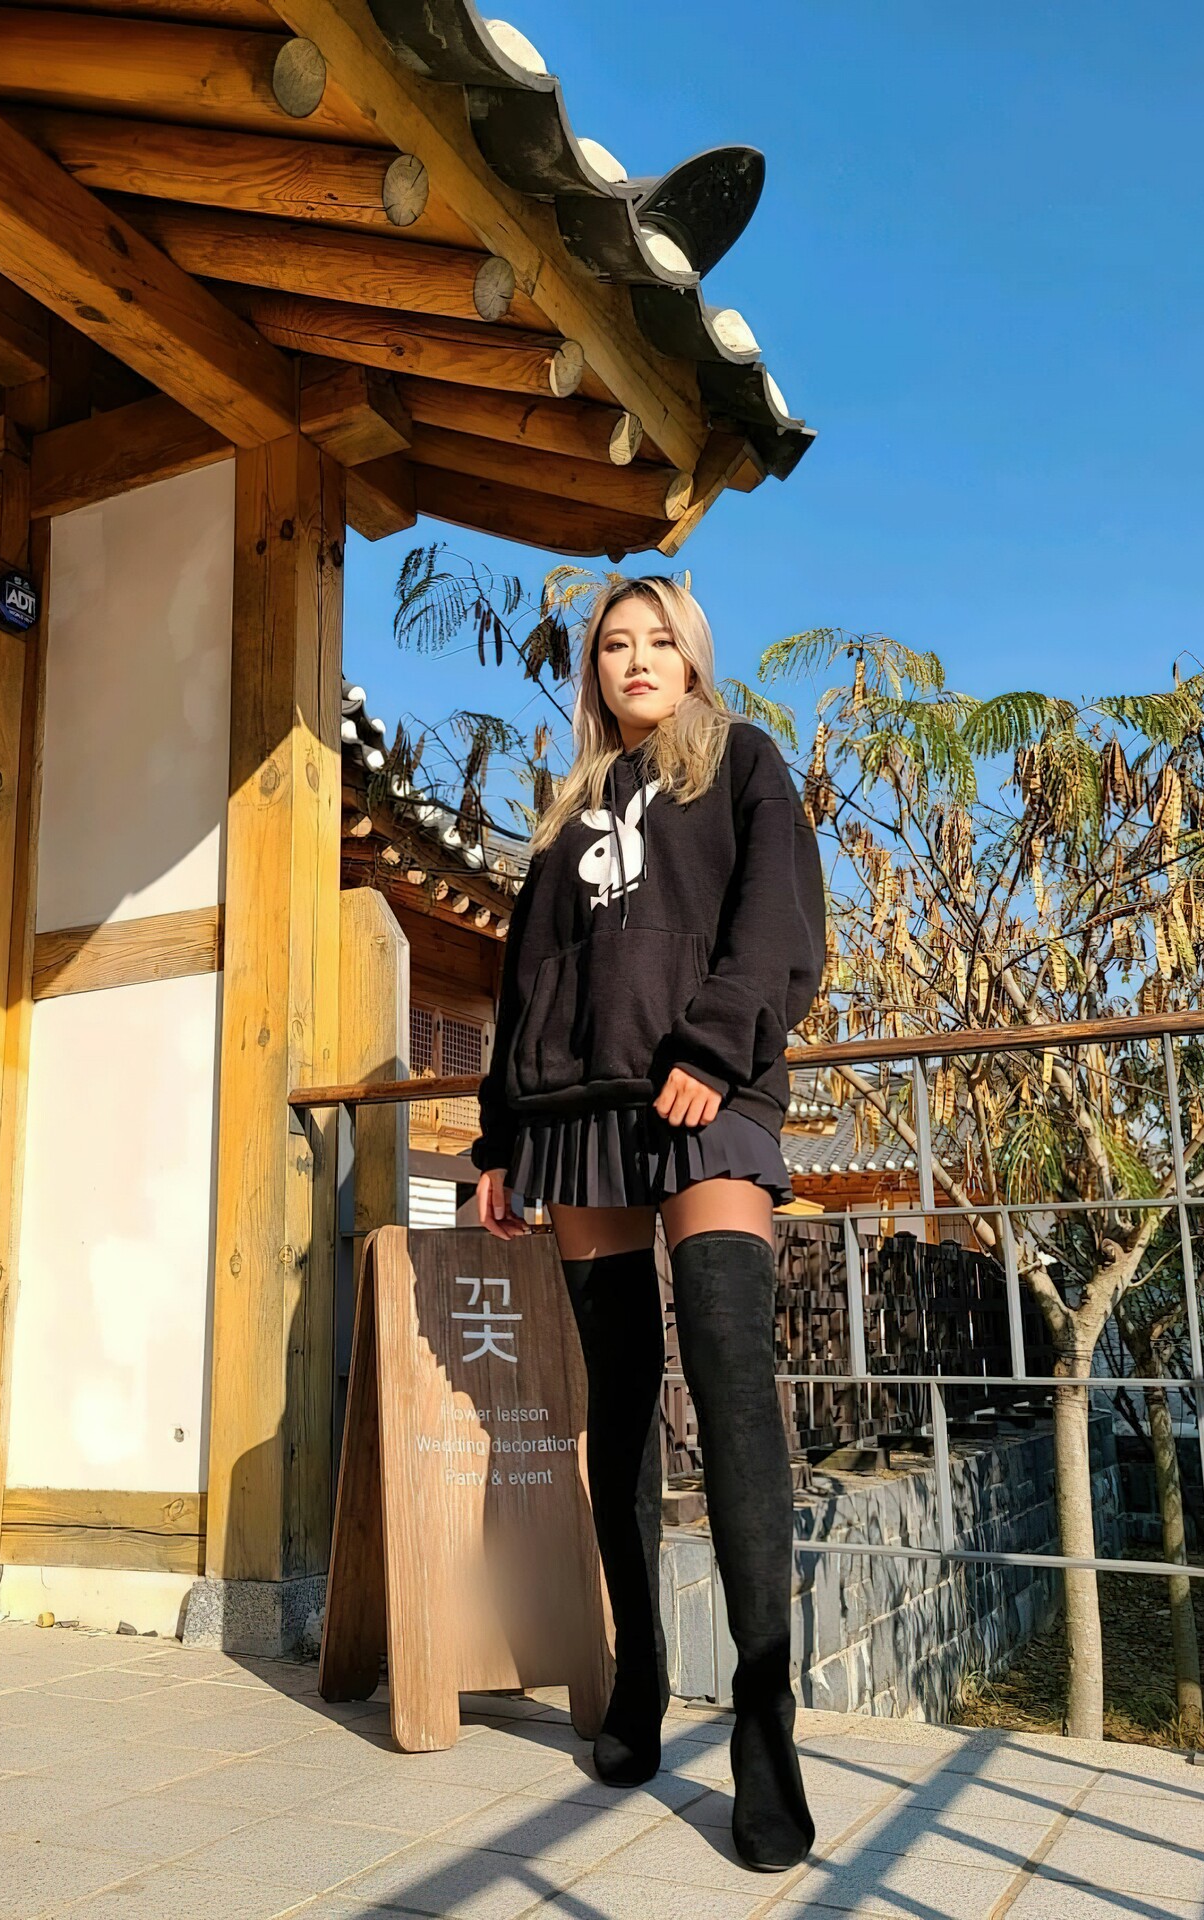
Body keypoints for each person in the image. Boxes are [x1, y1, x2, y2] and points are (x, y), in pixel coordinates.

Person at [468, 574, 826, 1874]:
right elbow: (529, 983)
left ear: (692, 656)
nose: (634, 660)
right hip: (580, 1121)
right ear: (595, 672)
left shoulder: (742, 764)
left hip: (705, 1097)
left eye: (657, 640)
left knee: (732, 1392)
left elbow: (778, 919)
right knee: (615, 1408)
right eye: (613, 645)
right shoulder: (567, 810)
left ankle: (765, 1721)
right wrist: (502, 1138)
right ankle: (639, 1676)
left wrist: (716, 1047)